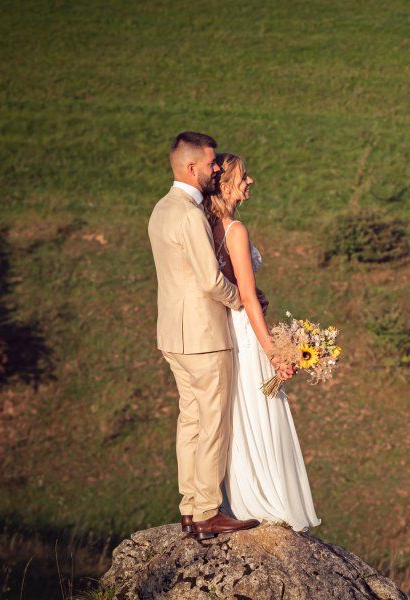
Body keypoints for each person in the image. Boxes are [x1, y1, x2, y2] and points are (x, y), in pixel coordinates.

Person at [147, 132, 260, 540]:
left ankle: (190, 507)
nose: (217, 169)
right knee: (212, 423)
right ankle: (209, 510)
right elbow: (212, 282)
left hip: (173, 337)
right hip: (204, 337)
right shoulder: (191, 215)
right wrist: (246, 303)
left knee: (191, 421)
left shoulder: (161, 209)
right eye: (212, 164)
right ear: (192, 167)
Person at [203, 152, 321, 532]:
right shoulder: (234, 230)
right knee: (262, 405)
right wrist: (272, 349)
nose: (250, 181)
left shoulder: (206, 226)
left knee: (241, 410)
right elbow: (249, 297)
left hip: (222, 327)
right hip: (245, 328)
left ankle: (239, 495)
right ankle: (268, 498)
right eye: (243, 176)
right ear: (225, 184)